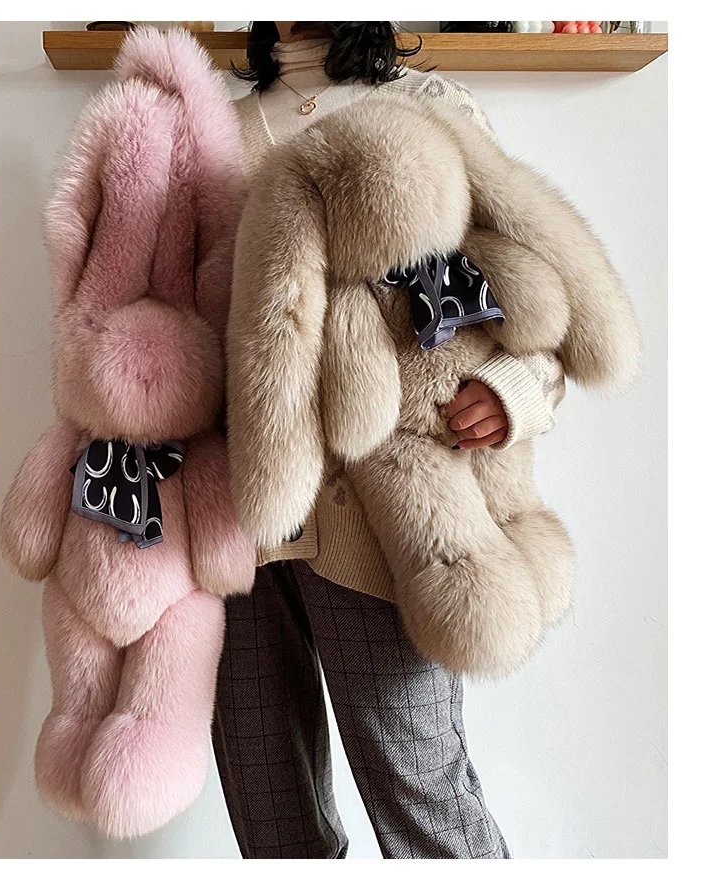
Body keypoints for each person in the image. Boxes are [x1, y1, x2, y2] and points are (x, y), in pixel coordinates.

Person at [211, 21, 565, 860]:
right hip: (234, 521)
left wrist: (513, 392)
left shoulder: (428, 107)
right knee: (271, 822)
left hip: (386, 521)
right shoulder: (213, 128)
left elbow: (539, 296)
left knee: (422, 800)